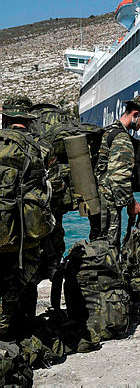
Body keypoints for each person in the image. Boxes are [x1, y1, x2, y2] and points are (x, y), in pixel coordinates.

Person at [0, 97, 55, 340]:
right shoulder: (41, 148)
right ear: (28, 121)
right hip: (25, 232)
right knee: (22, 281)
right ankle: (16, 330)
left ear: (6, 118)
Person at [93, 95, 140, 249]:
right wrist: (131, 203)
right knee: (109, 248)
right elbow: (119, 178)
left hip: (98, 199)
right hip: (109, 202)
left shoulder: (108, 130)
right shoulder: (121, 138)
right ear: (135, 114)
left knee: (98, 244)